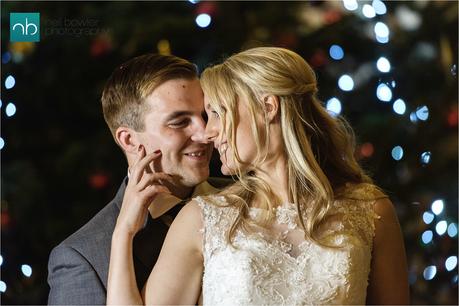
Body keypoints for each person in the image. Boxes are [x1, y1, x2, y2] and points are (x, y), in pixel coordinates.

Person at [107, 47, 410, 305]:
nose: (208, 133)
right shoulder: (204, 219)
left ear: (268, 107)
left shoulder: (371, 211)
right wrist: (123, 233)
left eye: (216, 113)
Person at [47, 53, 229, 305]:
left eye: (205, 116)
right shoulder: (84, 257)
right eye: (179, 122)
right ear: (129, 140)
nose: (204, 133)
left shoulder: (251, 196)